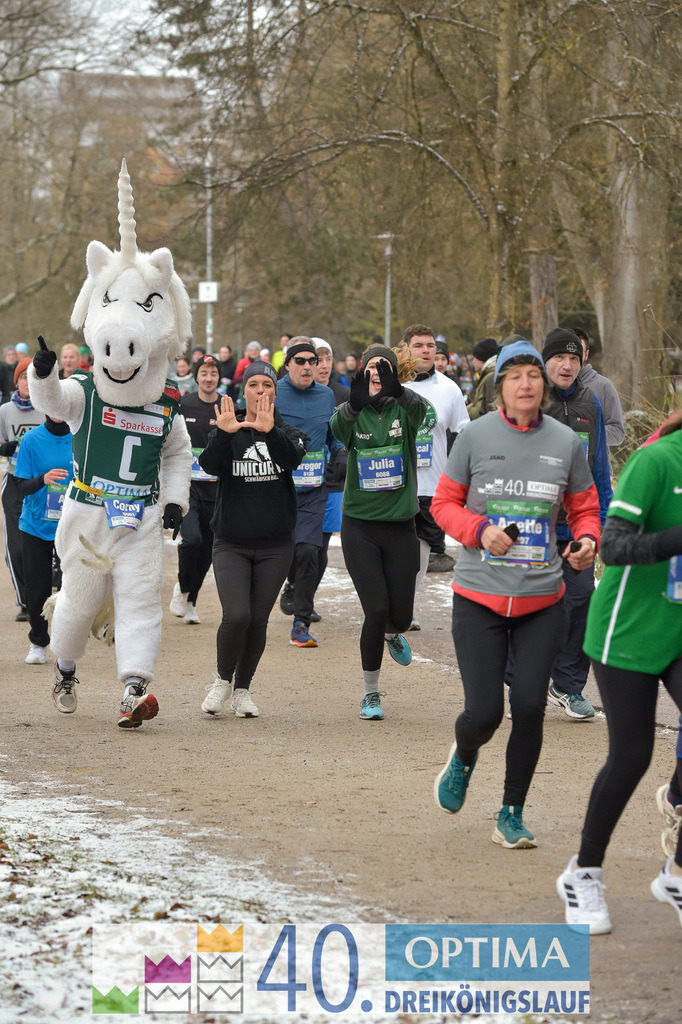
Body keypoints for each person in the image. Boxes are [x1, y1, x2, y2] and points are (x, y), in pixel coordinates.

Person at [430, 340, 601, 848]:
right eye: (515, 376)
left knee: (529, 706)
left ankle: (511, 811)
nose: (526, 384)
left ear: (543, 387)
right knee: (485, 712)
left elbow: (584, 507)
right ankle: (463, 756)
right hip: (479, 597)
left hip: (542, 600)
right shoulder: (476, 437)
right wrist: (478, 529)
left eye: (533, 376)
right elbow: (443, 504)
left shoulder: (567, 441)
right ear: (500, 387)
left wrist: (588, 539)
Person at [557, 411, 682, 934]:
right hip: (625, 630)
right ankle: (582, 873)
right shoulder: (657, 460)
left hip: (677, 629)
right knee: (632, 755)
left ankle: (676, 874)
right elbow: (613, 545)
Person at [198, 360, 307, 718]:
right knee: (237, 615)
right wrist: (227, 434)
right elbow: (210, 466)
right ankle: (221, 681)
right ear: (243, 390)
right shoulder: (229, 427)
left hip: (276, 545)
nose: (261, 391)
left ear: (276, 391)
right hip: (231, 542)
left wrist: (271, 432)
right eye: (254, 385)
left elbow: (293, 459)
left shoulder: (287, 429)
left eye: (267, 385)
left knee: (258, 620)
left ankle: (243, 690)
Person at [330, 344, 427, 721]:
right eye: (371, 367)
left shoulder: (406, 407)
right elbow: (337, 429)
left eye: (383, 368)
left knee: (399, 616)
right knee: (376, 609)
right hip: (360, 528)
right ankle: (370, 694)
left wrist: (400, 391)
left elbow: (424, 414)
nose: (376, 373)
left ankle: (393, 632)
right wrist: (353, 406)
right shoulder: (351, 410)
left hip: (401, 526)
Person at [541, 327, 612, 720]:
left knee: (582, 600)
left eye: (574, 359)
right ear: (545, 360)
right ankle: (523, 682)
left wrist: (604, 522)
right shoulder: (531, 399)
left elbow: (599, 469)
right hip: (534, 528)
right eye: (559, 358)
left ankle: (567, 685)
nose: (567, 365)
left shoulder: (590, 403)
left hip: (577, 526)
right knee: (534, 607)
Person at [274, 337, 342, 647]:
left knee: (309, 550)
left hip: (315, 488)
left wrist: (340, 451)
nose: (306, 366)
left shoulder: (326, 395)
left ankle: (300, 622)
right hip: (279, 486)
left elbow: (332, 435)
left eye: (311, 361)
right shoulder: (273, 392)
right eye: (299, 361)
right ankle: (291, 583)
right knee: (287, 549)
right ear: (287, 365)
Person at [402, 324, 470, 594]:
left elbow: (463, 434)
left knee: (421, 556)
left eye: (430, 345)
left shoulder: (449, 388)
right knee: (397, 551)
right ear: (406, 349)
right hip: (397, 483)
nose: (425, 350)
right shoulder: (395, 385)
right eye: (418, 345)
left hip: (432, 486)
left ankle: (405, 608)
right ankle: (395, 608)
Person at [14, 415, 74, 665]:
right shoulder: (31, 439)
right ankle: (38, 641)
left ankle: (65, 644)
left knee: (69, 588)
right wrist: (43, 479)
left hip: (71, 524)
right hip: (36, 524)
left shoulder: (81, 436)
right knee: (36, 589)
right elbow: (20, 485)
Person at [169, 354, 221, 624]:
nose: (208, 378)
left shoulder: (226, 406)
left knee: (208, 550)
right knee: (192, 540)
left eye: (213, 373)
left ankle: (191, 600)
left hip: (217, 491)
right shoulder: (184, 404)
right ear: (196, 376)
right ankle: (182, 587)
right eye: (204, 373)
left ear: (218, 377)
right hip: (188, 489)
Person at [0, 357, 44, 620]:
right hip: (16, 481)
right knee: (17, 546)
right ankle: (26, 602)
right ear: (16, 381)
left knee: (45, 542)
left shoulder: (49, 408)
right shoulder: (5, 411)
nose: (29, 382)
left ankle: (47, 595)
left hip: (47, 483)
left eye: (34, 377)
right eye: (24, 377)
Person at [571, 327, 626, 449]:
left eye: (578, 352)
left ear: (586, 355)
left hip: (594, 466)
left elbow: (618, 433)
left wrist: (587, 432)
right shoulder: (550, 387)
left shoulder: (603, 386)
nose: (572, 358)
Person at [466, 337, 499, 419]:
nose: (473, 361)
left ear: (482, 358)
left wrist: (466, 410)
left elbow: (485, 410)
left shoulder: (491, 377)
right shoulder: (488, 375)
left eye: (475, 357)